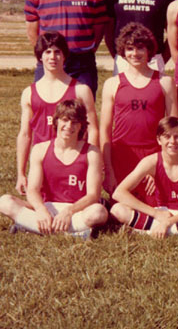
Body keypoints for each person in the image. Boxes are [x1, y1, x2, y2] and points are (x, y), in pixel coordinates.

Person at [0, 100, 107, 238]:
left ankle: (29, 226)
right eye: (65, 120)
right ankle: (77, 233)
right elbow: (32, 189)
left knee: (99, 213)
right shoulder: (40, 149)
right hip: (48, 207)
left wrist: (69, 211)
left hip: (76, 210)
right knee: (4, 202)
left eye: (74, 122)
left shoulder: (91, 152)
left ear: (81, 126)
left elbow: (93, 195)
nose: (69, 126)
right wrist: (40, 210)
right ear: (56, 122)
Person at [100, 24, 178, 198]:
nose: (135, 54)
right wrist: (109, 169)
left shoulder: (165, 82)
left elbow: (174, 128)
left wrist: (163, 162)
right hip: (122, 153)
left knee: (156, 204)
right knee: (119, 208)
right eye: (129, 49)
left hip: (153, 154)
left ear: (149, 50)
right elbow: (105, 130)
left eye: (140, 48)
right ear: (122, 51)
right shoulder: (113, 84)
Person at [110, 116, 178, 237]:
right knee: (117, 209)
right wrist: (156, 213)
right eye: (167, 137)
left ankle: (149, 232)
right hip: (161, 213)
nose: (172, 141)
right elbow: (119, 193)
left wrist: (167, 223)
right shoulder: (151, 161)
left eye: (177, 137)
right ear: (159, 140)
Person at [16, 32, 98, 196]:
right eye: (47, 52)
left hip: (72, 160)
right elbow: (25, 135)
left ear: (64, 55)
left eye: (57, 52)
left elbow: (93, 129)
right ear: (40, 56)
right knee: (40, 206)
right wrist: (21, 173)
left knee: (76, 206)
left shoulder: (81, 90)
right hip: (43, 162)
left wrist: (90, 162)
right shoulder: (29, 93)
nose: (52, 57)